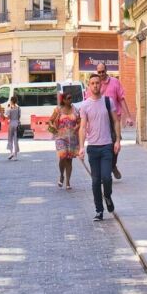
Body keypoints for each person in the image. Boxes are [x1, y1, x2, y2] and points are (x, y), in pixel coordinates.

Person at [77, 74, 120, 221]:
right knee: (96, 181)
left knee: (107, 178)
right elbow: (82, 128)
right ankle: (99, 210)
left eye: (97, 83)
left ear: (101, 85)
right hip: (93, 148)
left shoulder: (108, 101)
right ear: (89, 86)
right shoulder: (85, 105)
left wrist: (118, 141)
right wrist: (81, 147)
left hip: (107, 145)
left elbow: (116, 121)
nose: (95, 85)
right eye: (92, 83)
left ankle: (107, 196)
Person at [95, 63, 132, 179]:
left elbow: (121, 99)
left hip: (114, 119)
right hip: (100, 120)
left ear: (106, 70)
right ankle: (105, 171)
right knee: (102, 146)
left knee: (116, 143)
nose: (101, 74)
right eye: (99, 72)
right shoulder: (95, 84)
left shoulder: (115, 82)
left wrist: (128, 116)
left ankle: (113, 165)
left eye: (102, 71)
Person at [48, 92, 81, 189]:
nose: (71, 100)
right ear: (64, 100)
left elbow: (80, 121)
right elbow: (51, 120)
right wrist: (52, 125)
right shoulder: (58, 109)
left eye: (71, 98)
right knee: (62, 156)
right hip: (60, 137)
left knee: (69, 160)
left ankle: (68, 182)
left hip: (72, 137)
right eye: (69, 98)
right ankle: (61, 175)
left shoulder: (75, 110)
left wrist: (76, 127)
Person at [5, 95, 21, 159]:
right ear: (16, 101)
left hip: (11, 124)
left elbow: (8, 117)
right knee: (16, 140)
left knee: (10, 138)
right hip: (16, 123)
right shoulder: (18, 107)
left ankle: (11, 153)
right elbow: (19, 116)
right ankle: (16, 156)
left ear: (11, 101)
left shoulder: (10, 108)